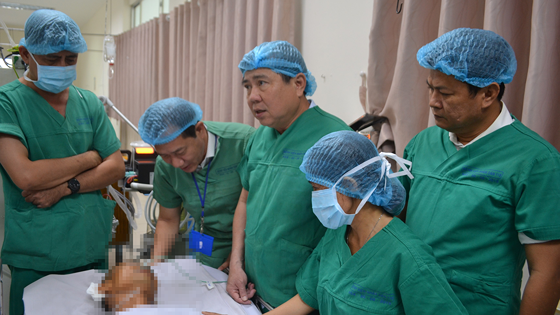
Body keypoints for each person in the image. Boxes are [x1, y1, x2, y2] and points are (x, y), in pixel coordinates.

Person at [400, 28, 560, 314]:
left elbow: (547, 273)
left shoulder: (535, 162)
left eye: (445, 93)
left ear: (488, 93)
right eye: (431, 88)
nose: (433, 101)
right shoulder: (423, 143)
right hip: (409, 301)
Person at [0, 9, 125, 315]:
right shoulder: (8, 102)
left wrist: (64, 188)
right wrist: (91, 157)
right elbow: (26, 177)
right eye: (52, 59)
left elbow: (116, 167)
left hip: (89, 244)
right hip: (37, 252)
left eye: (71, 59)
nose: (63, 67)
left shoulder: (88, 103)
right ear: (27, 54)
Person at [262, 130, 467, 314]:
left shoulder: (408, 257)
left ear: (350, 185)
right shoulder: (338, 234)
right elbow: (306, 299)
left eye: (317, 188)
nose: (314, 196)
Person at [226, 41, 352, 309]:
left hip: (303, 299)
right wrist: (236, 264)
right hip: (253, 293)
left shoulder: (335, 140)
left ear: (298, 84)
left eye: (262, 83)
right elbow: (244, 201)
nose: (252, 96)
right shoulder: (259, 137)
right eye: (247, 86)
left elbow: (350, 233)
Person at [138, 97, 255, 269]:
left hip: (250, 247)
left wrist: (238, 256)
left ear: (199, 130)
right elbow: (168, 219)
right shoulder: (166, 167)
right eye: (165, 155)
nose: (176, 163)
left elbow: (262, 210)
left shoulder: (243, 143)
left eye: (180, 151)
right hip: (205, 249)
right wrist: (154, 267)